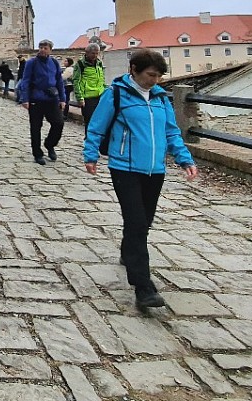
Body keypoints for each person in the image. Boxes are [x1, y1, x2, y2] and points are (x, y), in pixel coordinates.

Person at [83, 49, 198, 309]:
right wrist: (90, 154)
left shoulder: (160, 98)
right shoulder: (116, 93)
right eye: (150, 75)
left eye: (158, 76)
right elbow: (97, 126)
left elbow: (171, 132)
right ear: (134, 69)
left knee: (143, 222)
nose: (154, 80)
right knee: (136, 222)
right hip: (124, 167)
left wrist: (185, 159)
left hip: (154, 169)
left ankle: (128, 251)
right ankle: (143, 287)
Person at [18, 39, 66, 165]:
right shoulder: (31, 63)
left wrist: (63, 99)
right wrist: (25, 99)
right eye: (41, 47)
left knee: (58, 123)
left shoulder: (54, 63)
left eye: (45, 48)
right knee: (35, 127)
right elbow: (26, 81)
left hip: (51, 98)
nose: (42, 50)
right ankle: (37, 153)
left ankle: (50, 144)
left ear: (50, 50)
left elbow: (59, 81)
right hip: (36, 99)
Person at [73, 43, 106, 129]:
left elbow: (101, 79)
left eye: (97, 53)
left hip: (100, 96)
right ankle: (89, 141)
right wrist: (79, 98)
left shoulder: (99, 63)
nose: (95, 55)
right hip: (88, 98)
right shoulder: (81, 64)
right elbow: (76, 81)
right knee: (90, 123)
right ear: (87, 53)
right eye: (93, 53)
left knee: (101, 122)